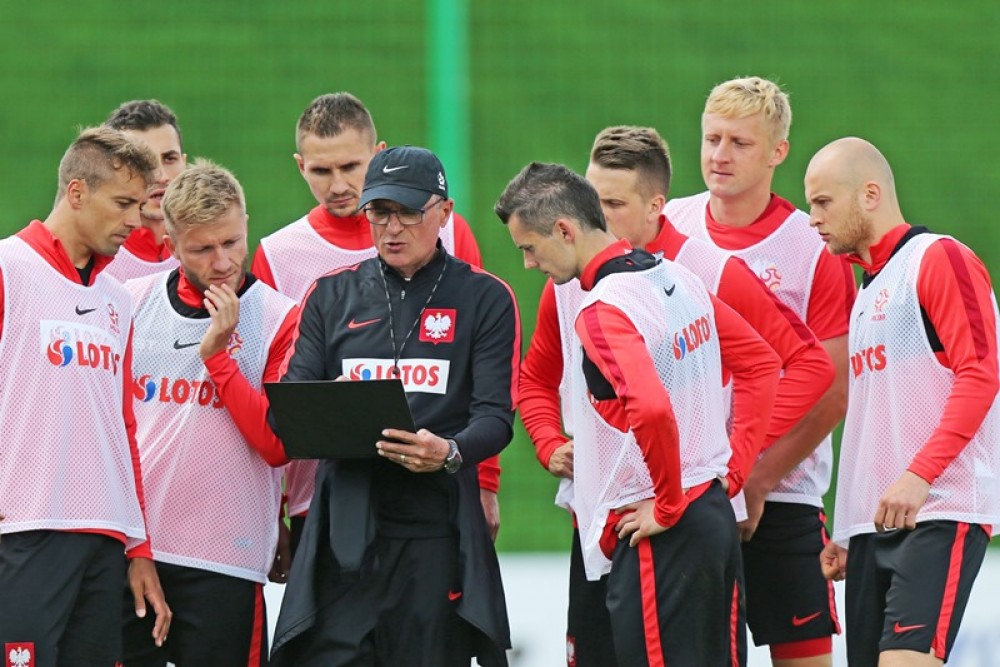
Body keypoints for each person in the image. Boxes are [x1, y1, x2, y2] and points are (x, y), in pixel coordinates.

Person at [518, 125, 835, 666]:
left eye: (614, 204)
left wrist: (734, 465)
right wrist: (549, 443)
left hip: (683, 513)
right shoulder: (566, 282)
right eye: (593, 201)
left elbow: (804, 365)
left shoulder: (706, 271)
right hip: (604, 520)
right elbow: (534, 380)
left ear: (655, 206)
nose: (598, 217)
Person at [269, 146, 518, 666]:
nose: (392, 228)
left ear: (444, 213)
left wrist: (448, 451)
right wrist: (337, 409)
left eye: (408, 212)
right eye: (379, 213)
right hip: (344, 525)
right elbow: (289, 410)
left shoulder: (485, 298)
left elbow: (495, 418)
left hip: (434, 526)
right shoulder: (330, 295)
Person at [251, 93, 500, 572]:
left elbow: (481, 371)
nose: (338, 185)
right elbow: (274, 393)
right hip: (320, 500)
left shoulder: (447, 233)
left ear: (378, 154)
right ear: (300, 166)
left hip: (434, 493)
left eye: (351, 166)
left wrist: (485, 482)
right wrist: (272, 509)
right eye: (320, 170)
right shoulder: (278, 255)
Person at [666, 76, 854, 666]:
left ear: (778, 152)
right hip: (691, 489)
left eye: (740, 143)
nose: (720, 155)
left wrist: (759, 479)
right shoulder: (670, 223)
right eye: (712, 139)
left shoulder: (812, 246)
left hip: (782, 492)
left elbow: (834, 389)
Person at [808, 137, 1000, 667]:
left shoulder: (937, 257)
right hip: (874, 525)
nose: (813, 218)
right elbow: (877, 421)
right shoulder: (867, 290)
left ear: (869, 194)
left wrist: (920, 474)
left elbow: (980, 374)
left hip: (938, 508)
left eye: (823, 202)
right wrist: (849, 528)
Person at [0, 127, 171, 665]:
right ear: (76, 193)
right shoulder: (7, 269)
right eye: (122, 203)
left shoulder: (117, 299)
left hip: (105, 539)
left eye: (140, 205)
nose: (135, 220)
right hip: (24, 530)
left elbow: (123, 427)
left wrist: (139, 546)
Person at [120, 161, 298, 665]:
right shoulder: (132, 303)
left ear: (246, 225)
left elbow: (276, 444)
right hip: (137, 554)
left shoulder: (279, 316)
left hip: (227, 560)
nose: (222, 262)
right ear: (172, 244)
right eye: (202, 249)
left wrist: (217, 357)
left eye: (232, 242)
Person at [104, 99, 187, 281]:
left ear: (184, 163)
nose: (161, 176)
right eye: (143, 162)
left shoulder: (213, 249)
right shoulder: (94, 261)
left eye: (170, 159)